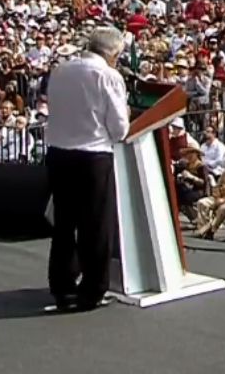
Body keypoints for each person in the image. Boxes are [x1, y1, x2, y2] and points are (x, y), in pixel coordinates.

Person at [43, 27, 130, 313]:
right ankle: (92, 292)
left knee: (64, 224)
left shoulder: (60, 71)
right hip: (92, 155)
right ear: (113, 53)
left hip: (58, 153)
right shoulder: (108, 76)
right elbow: (119, 129)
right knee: (95, 226)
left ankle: (63, 287)